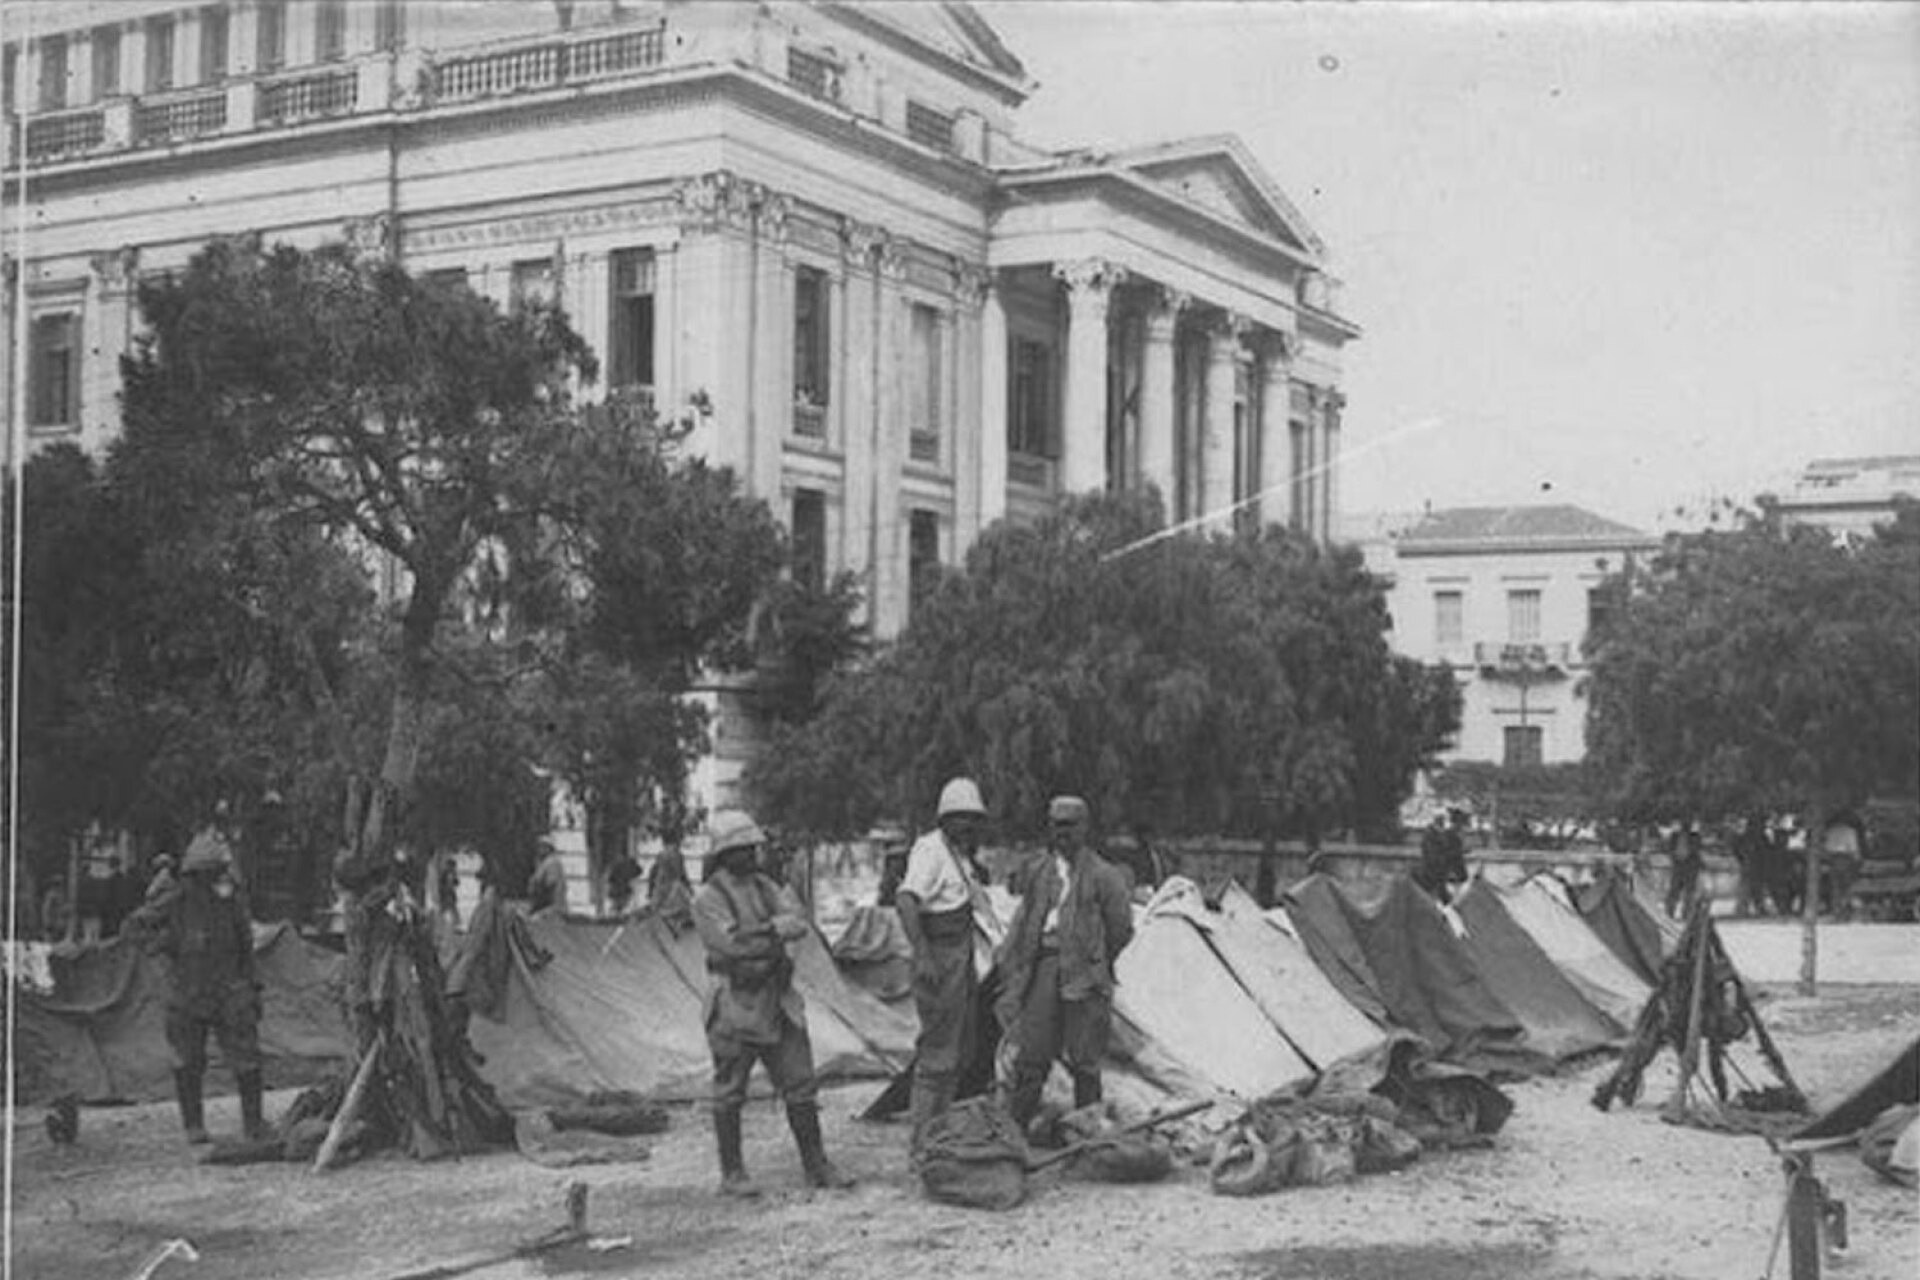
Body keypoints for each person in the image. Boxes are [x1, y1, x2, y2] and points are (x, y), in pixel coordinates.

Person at [692, 811, 853, 1196]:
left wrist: (764, 935)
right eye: (741, 849)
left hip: (777, 999)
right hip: (736, 1001)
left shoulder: (765, 886)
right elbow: (731, 945)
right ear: (722, 854)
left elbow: (797, 923)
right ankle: (733, 1173)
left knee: (800, 1083)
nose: (750, 855)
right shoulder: (708, 898)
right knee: (730, 1089)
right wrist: (771, 932)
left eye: (752, 848)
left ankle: (816, 1165)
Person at [994, 795, 1135, 1134]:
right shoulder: (1039, 872)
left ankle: (1086, 1135)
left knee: (1085, 1060)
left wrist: (1096, 960)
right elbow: (1025, 918)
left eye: (1071, 824)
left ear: (1085, 827)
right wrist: (1011, 961)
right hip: (1043, 967)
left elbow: (1121, 928)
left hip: (1085, 975)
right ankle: (1014, 1133)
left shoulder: (1104, 875)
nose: (1063, 832)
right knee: (1032, 1053)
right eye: (1057, 825)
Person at [129, 826, 267, 1145]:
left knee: (247, 1058)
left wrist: (253, 987)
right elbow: (135, 927)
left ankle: (254, 1124)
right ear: (195, 874)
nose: (219, 878)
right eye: (212, 872)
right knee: (188, 1061)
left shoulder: (232, 901)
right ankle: (194, 1126)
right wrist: (164, 945)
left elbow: (246, 946)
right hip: (187, 991)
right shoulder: (176, 900)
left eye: (220, 871)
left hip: (230, 990)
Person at [895, 777, 991, 1152]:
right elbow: (907, 899)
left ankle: (940, 1133)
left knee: (960, 1051)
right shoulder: (930, 850)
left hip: (960, 959)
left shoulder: (959, 856)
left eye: (973, 818)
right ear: (945, 818)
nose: (968, 825)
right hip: (939, 958)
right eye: (960, 817)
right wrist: (922, 953)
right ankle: (922, 1142)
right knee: (937, 1053)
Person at [1666, 827, 1704, 920]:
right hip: (1678, 866)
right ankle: (1669, 913)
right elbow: (1670, 849)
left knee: (1689, 893)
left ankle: (1686, 915)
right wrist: (1674, 859)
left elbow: (1697, 850)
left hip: (1691, 868)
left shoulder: (1695, 836)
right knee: (1674, 891)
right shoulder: (1674, 835)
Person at [528, 841, 570, 915]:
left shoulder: (552, 862)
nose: (539, 849)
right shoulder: (542, 863)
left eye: (542, 846)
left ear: (548, 849)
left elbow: (550, 884)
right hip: (542, 907)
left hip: (553, 908)